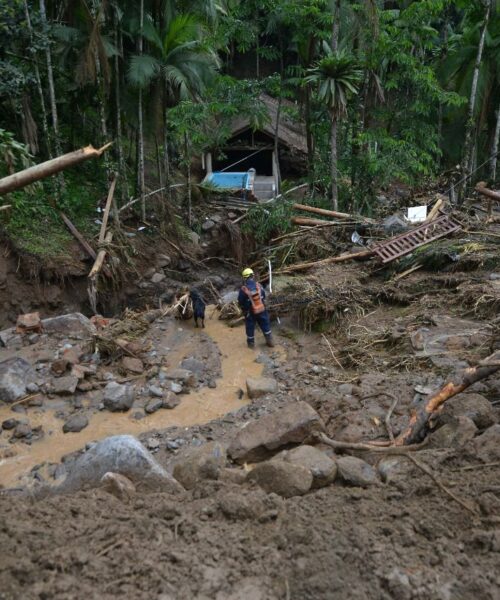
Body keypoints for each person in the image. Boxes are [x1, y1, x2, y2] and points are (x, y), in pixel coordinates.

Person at [238, 267, 274, 349]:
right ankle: (270, 342)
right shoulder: (259, 286)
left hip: (250, 312)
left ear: (244, 278)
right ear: (252, 276)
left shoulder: (243, 289)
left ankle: (251, 346)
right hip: (261, 309)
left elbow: (240, 301)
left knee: (250, 327)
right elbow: (264, 296)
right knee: (265, 324)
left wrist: (244, 309)